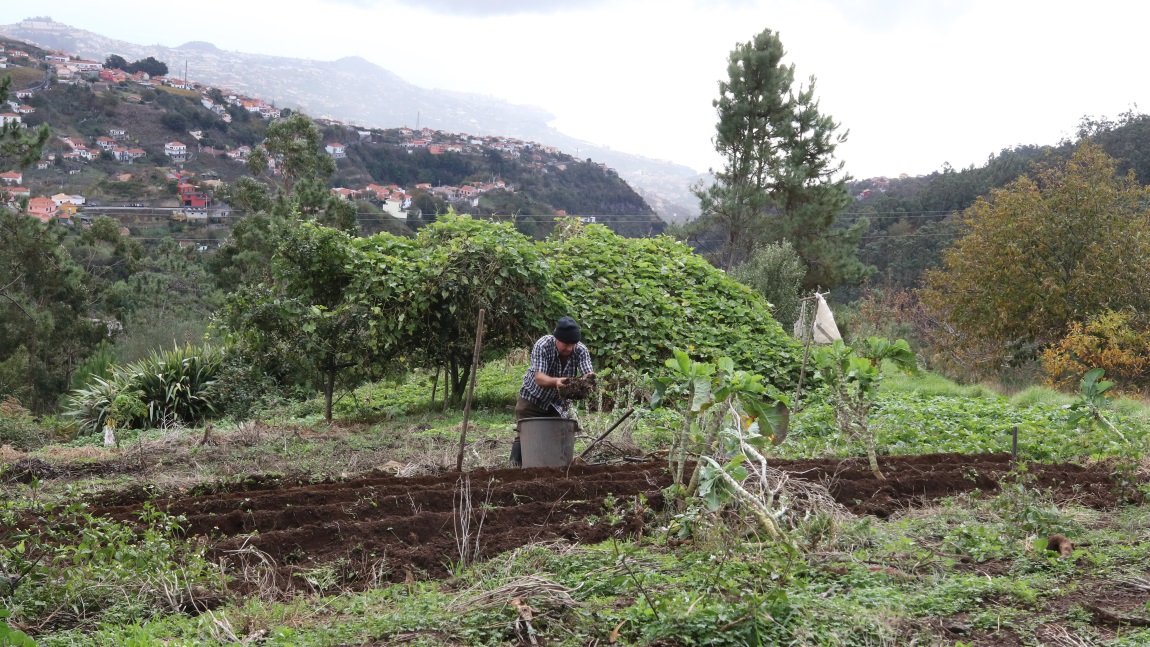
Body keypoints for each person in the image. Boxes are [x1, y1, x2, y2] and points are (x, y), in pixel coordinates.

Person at [510, 315, 593, 466]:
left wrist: (588, 380)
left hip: (558, 403)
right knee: (525, 435)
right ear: (556, 338)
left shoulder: (580, 350)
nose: (569, 348)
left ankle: (552, 471)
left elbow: (588, 373)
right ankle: (513, 470)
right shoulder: (543, 345)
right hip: (532, 398)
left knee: (556, 436)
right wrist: (557, 381)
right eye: (565, 344)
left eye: (572, 344)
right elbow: (540, 378)